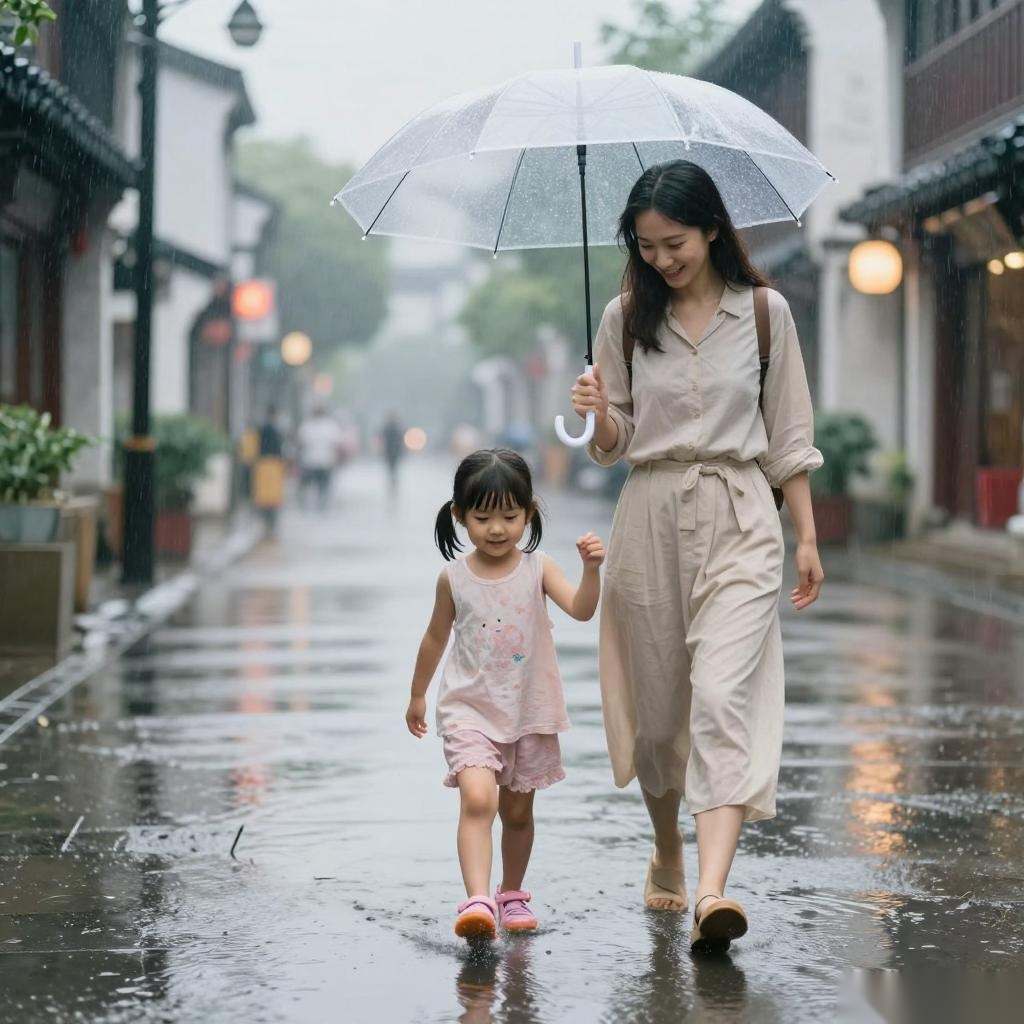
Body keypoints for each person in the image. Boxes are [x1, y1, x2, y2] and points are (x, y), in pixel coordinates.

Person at [571, 160, 825, 953]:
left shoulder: (765, 314)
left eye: (674, 243)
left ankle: (713, 891)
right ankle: (668, 848)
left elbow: (788, 434)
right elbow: (613, 444)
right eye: (646, 247)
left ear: (712, 229)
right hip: (649, 513)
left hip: (741, 512)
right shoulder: (623, 318)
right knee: (657, 721)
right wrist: (596, 412)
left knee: (721, 697)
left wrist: (807, 536)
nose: (661, 260)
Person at [404, 449, 605, 942]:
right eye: (483, 518)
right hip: (469, 710)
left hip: (528, 711)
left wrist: (591, 570)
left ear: (528, 513)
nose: (497, 529)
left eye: (510, 517)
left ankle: (511, 894)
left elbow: (581, 610)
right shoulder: (454, 578)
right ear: (459, 516)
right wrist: (417, 695)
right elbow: (434, 638)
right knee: (478, 800)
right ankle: (477, 901)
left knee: (517, 813)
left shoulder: (539, 569)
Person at [297, 405, 345, 511]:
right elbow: (337, 444)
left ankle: (314, 505)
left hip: (313, 461)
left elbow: (301, 443)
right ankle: (319, 505)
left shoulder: (308, 425)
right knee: (321, 485)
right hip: (322, 461)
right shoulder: (329, 426)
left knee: (313, 485)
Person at [252, 405, 287, 536]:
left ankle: (267, 524)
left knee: (264, 496)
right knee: (271, 498)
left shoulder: (260, 429)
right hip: (273, 465)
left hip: (262, 464)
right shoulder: (274, 430)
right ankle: (270, 524)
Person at [380, 412, 405, 492]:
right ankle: (393, 481)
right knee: (392, 468)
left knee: (392, 468)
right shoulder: (395, 428)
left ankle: (393, 481)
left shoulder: (390, 428)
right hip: (391, 451)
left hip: (392, 451)